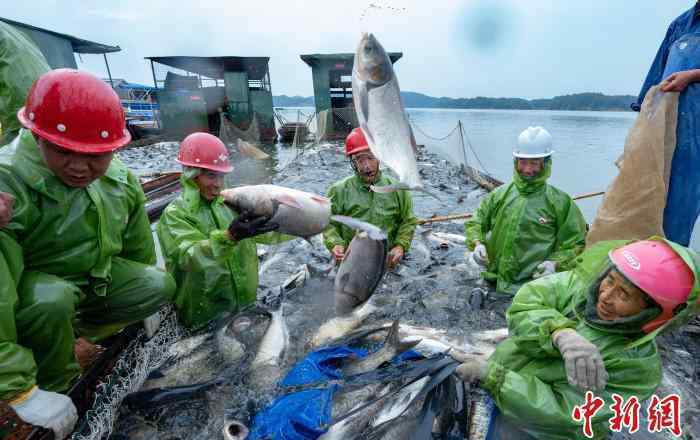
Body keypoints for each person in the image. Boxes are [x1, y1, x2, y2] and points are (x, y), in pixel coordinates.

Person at [0, 69, 176, 439]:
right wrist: (18, 388)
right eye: (62, 151)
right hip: (29, 303)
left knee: (156, 284)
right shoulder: (7, 186)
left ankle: (73, 336)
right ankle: (51, 382)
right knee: (51, 299)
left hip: (87, 288)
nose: (80, 168)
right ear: (35, 136)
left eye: (95, 156)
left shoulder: (121, 180)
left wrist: (144, 309)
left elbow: (139, 252)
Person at [453, 238, 698, 439]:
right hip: (501, 384)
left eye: (623, 294)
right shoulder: (577, 288)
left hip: (542, 431)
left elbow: (565, 411)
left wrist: (494, 377)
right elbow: (525, 303)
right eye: (609, 280)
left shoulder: (638, 369)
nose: (605, 296)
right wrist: (559, 332)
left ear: (652, 312)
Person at [156, 132, 287, 329]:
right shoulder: (175, 214)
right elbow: (189, 256)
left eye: (221, 176)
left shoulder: (231, 203)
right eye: (210, 175)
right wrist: (229, 237)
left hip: (245, 308)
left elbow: (267, 233)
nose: (217, 184)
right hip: (204, 318)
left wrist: (288, 220)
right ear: (191, 173)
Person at [464, 126, 587, 294]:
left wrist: (555, 263)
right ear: (515, 162)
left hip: (532, 286)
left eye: (535, 163)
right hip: (493, 278)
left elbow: (576, 244)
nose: (528, 169)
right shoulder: (499, 194)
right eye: (523, 162)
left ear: (546, 163)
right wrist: (477, 244)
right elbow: (476, 222)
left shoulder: (561, 202)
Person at [633, 3, 700, 246]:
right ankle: (645, 260)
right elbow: (657, 71)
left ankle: (672, 262)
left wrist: (693, 75)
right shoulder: (681, 24)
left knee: (683, 203)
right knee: (647, 195)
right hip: (664, 127)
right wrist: (643, 111)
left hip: (697, 135)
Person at [323, 127, 417, 270]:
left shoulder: (398, 189)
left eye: (370, 157)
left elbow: (408, 221)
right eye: (360, 160)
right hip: (351, 261)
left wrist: (400, 246)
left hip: (387, 260)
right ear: (352, 162)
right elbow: (328, 222)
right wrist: (335, 244)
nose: (367, 166)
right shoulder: (338, 190)